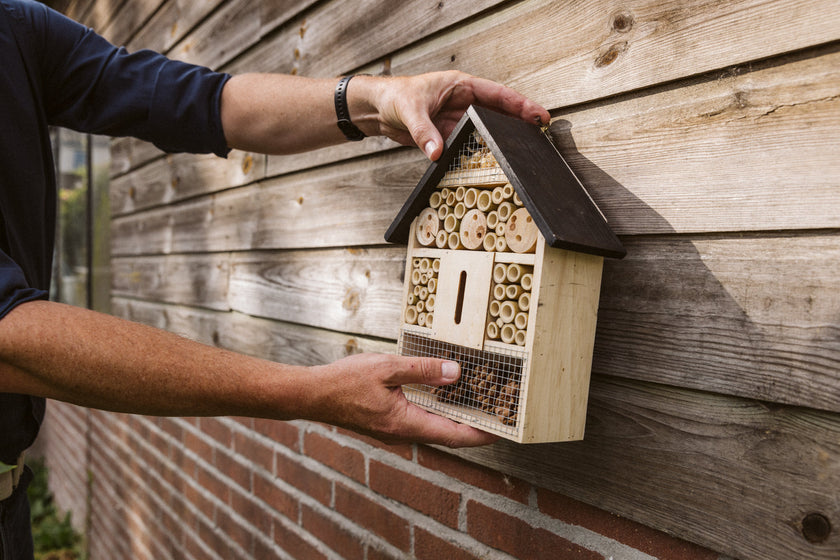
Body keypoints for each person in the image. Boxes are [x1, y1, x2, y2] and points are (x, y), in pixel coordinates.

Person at [0, 0, 550, 557]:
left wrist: (373, 100)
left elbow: (199, 101)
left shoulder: (16, 28)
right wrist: (312, 392)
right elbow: (9, 341)